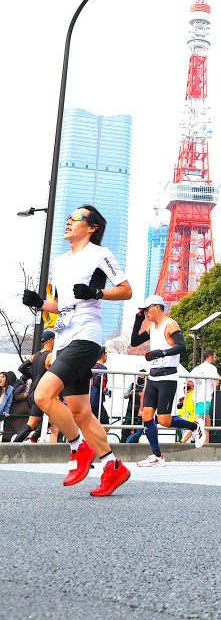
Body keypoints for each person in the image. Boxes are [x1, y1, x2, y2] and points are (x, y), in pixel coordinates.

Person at [21, 205, 131, 495]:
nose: (69, 221)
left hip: (86, 335)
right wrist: (39, 303)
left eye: (76, 218)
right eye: (68, 218)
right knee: (81, 412)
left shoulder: (99, 254)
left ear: (92, 227)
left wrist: (97, 292)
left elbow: (126, 290)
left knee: (43, 394)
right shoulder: (59, 262)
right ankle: (113, 466)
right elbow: (60, 305)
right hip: (64, 337)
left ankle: (78, 447)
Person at [129, 294, 206, 465]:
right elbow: (134, 342)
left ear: (157, 307)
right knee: (147, 416)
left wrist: (161, 353)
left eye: (147, 309)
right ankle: (156, 455)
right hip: (153, 377)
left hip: (168, 377)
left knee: (164, 420)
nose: (146, 313)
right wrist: (137, 321)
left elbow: (182, 346)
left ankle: (195, 426)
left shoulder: (170, 324)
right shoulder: (152, 328)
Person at [12, 329, 56, 443]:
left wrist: (34, 375)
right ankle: (14, 445)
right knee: (32, 423)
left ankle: (33, 439)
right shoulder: (50, 355)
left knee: (53, 418)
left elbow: (21, 368)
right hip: (42, 392)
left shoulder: (35, 355)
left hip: (33, 392)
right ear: (51, 340)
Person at [188, 349, 219, 444]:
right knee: (197, 421)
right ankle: (184, 441)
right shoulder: (212, 368)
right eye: (214, 356)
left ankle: (206, 443)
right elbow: (216, 383)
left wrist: (196, 384)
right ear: (210, 356)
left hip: (196, 397)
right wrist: (218, 379)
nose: (215, 358)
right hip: (205, 397)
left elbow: (188, 381)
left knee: (206, 422)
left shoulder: (197, 368)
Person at [89, 347, 110, 430]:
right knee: (106, 426)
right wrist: (107, 391)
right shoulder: (102, 368)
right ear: (103, 355)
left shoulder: (90, 366)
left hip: (86, 400)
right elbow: (98, 383)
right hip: (96, 401)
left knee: (90, 426)